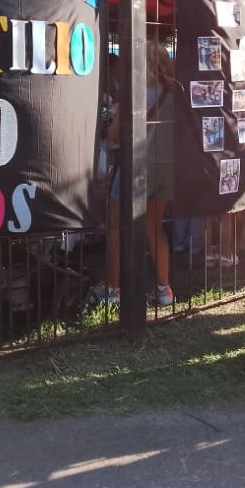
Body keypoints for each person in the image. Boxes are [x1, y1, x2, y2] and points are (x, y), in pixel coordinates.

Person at [96, 41, 176, 307]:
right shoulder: (176, 92)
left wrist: (118, 115)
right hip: (168, 166)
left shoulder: (138, 92)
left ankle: (113, 289)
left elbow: (116, 135)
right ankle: (164, 289)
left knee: (115, 224)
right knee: (154, 225)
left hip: (139, 166)